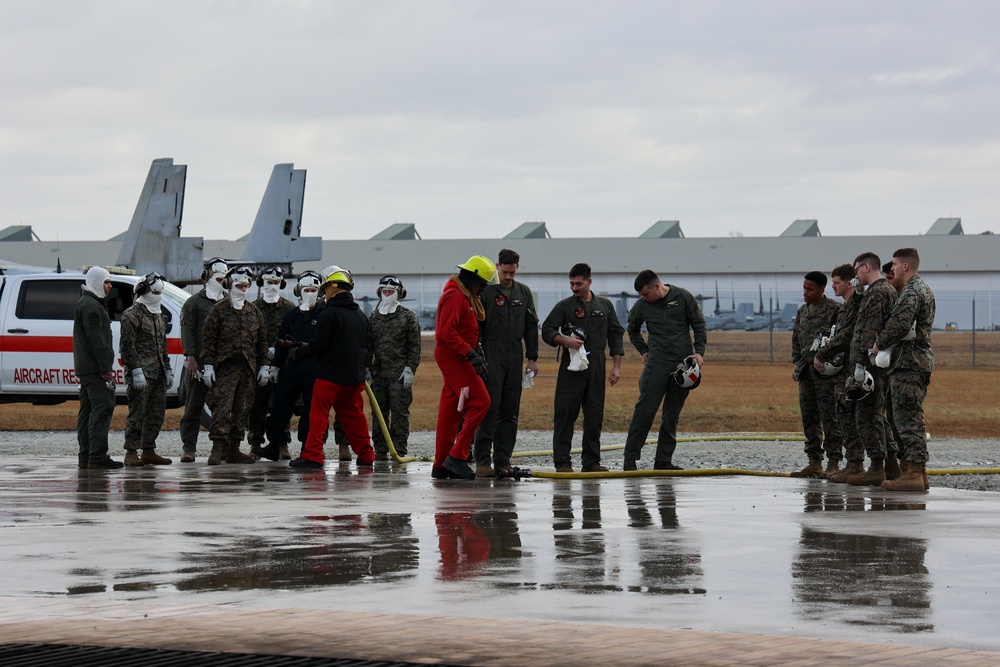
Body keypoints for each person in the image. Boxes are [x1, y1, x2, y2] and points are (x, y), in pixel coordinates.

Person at [287, 267, 375, 469]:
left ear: (332, 288)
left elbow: (319, 345)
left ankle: (312, 455)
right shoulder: (360, 315)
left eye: (324, 288)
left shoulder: (329, 314)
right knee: (354, 417)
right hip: (354, 378)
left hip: (330, 377)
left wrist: (298, 353)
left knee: (318, 415)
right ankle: (366, 455)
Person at [541, 263, 625, 473]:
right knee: (565, 413)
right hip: (571, 366)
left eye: (579, 284)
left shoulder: (604, 306)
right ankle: (562, 462)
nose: (574, 288)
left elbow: (615, 335)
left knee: (595, 413)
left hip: (596, 364)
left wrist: (616, 366)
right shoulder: (565, 306)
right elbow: (547, 330)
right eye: (571, 284)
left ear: (589, 282)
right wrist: (565, 340)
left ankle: (591, 462)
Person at [622, 269, 706, 471]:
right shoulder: (642, 306)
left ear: (657, 287)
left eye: (646, 294)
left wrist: (699, 353)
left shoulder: (683, 297)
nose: (644, 298)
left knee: (672, 413)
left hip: (682, 364)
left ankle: (663, 460)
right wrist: (644, 350)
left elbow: (699, 325)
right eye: (641, 295)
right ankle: (630, 458)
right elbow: (632, 329)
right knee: (645, 410)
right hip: (657, 363)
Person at [474, 249, 539, 477]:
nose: (508, 277)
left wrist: (532, 357)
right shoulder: (486, 291)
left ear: (517, 268)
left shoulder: (524, 292)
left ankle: (503, 460)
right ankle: (482, 459)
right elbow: (476, 326)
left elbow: (531, 326)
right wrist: (476, 354)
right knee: (489, 406)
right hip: (490, 350)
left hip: (514, 352)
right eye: (504, 272)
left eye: (512, 272)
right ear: (497, 266)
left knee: (510, 409)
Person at [432, 255, 497, 480]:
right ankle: (457, 457)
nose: (484, 289)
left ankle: (440, 465)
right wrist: (470, 354)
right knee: (481, 401)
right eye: (483, 284)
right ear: (475, 279)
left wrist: (476, 353)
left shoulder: (464, 295)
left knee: (451, 409)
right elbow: (444, 333)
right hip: (454, 358)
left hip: (458, 356)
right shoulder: (454, 296)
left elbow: (465, 330)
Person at [876, 248, 936, 492]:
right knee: (901, 416)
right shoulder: (920, 289)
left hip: (909, 363)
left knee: (907, 419)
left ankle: (913, 472)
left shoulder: (912, 291)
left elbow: (900, 324)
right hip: (908, 361)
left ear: (905, 266)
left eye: (894, 265)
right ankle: (915, 472)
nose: (892, 270)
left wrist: (879, 343)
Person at [200, 266, 269, 465]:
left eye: (246, 283)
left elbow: (262, 342)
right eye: (239, 283)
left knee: (242, 410)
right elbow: (209, 340)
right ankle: (217, 448)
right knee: (222, 409)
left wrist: (264, 365)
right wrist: (208, 366)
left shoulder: (254, 312)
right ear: (230, 284)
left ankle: (234, 449)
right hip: (224, 369)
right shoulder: (218, 310)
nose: (244, 285)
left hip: (247, 369)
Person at [845, 252, 898, 486]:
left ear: (866, 267)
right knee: (877, 415)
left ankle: (878, 466)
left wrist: (861, 364)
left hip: (869, 365)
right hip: (872, 363)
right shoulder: (878, 291)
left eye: (856, 270)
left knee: (867, 416)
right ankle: (891, 465)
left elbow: (871, 330)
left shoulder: (878, 293)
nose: (855, 275)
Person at [260, 270, 324, 461]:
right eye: (306, 289)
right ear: (298, 291)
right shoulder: (291, 315)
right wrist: (276, 366)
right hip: (293, 366)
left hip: (315, 368)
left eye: (314, 290)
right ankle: (275, 445)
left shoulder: (325, 314)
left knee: (312, 409)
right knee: (280, 404)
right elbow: (281, 342)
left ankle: (310, 447)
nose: (309, 293)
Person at [789, 271, 843, 478]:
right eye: (804, 288)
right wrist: (797, 363)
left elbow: (840, 340)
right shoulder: (803, 311)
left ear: (821, 290)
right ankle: (814, 461)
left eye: (810, 289)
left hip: (826, 374)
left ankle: (834, 461)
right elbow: (796, 340)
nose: (805, 292)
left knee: (829, 416)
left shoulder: (835, 311)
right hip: (806, 373)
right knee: (809, 417)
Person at [119, 272, 173, 466]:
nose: (158, 295)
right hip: (141, 374)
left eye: (160, 292)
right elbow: (127, 346)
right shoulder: (131, 315)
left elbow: (162, 345)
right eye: (154, 291)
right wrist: (135, 370)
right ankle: (131, 451)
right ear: (143, 291)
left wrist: (167, 369)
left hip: (157, 372)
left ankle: (148, 449)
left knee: (156, 412)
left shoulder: (158, 315)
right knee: (137, 412)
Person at [817, 264, 864, 484]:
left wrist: (822, 353)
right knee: (843, 418)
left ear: (849, 282)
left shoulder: (855, 305)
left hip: (849, 370)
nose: (833, 287)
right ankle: (851, 463)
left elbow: (845, 337)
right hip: (841, 371)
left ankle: (856, 464)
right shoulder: (845, 307)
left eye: (836, 283)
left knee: (851, 418)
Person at [178, 257, 228, 462]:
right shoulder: (194, 303)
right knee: (193, 406)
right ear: (207, 277)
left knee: (223, 408)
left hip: (223, 364)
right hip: (197, 363)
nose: (222, 282)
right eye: (218, 278)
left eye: (225, 279)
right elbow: (187, 330)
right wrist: (190, 357)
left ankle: (221, 447)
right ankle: (189, 448)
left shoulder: (229, 301)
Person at [367, 275, 422, 460]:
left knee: (399, 413)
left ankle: (399, 449)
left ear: (399, 293)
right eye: (385, 291)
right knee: (378, 413)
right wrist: (366, 367)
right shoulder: (374, 317)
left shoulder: (408, 317)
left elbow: (415, 346)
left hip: (399, 374)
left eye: (391, 291)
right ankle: (380, 450)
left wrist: (410, 369)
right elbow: (368, 346)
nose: (387, 294)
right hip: (378, 374)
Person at [74, 266, 123, 469]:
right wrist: (105, 368)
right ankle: (97, 456)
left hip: (86, 367)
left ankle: (86, 455)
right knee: (102, 407)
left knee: (87, 409)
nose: (110, 286)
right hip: (94, 368)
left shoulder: (88, 302)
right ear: (96, 282)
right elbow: (96, 340)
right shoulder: (92, 306)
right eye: (106, 282)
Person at [247, 266, 295, 459]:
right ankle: (255, 443)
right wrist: (263, 358)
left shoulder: (289, 308)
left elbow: (293, 335)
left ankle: (281, 443)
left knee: (283, 405)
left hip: (283, 365)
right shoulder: (252, 307)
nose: (273, 285)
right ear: (262, 283)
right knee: (257, 405)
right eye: (269, 282)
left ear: (281, 284)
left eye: (276, 282)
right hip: (259, 365)